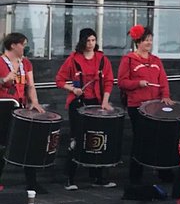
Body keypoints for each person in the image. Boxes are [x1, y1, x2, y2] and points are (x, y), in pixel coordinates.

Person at [55, 28, 116, 190]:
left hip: (97, 102)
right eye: (88, 40)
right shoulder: (73, 60)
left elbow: (109, 81)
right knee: (76, 138)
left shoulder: (102, 59)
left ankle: (98, 176)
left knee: (98, 138)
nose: (90, 44)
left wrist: (105, 101)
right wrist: (73, 90)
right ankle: (70, 177)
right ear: (82, 41)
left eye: (93, 40)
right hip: (78, 103)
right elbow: (59, 80)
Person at [118, 25, 173, 194]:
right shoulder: (128, 60)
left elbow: (163, 80)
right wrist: (137, 84)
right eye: (146, 40)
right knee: (140, 140)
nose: (149, 43)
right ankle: (135, 176)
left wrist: (165, 95)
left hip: (155, 106)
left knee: (160, 138)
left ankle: (164, 171)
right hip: (138, 106)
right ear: (138, 42)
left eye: (150, 40)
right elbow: (122, 82)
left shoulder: (156, 61)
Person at [0, 31, 47, 194]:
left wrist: (34, 102)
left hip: (21, 106)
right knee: (2, 144)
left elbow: (31, 85)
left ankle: (32, 182)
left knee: (29, 144)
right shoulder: (0, 62)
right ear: (13, 45)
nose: (25, 48)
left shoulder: (25, 63)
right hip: (4, 106)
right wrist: (5, 79)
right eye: (23, 45)